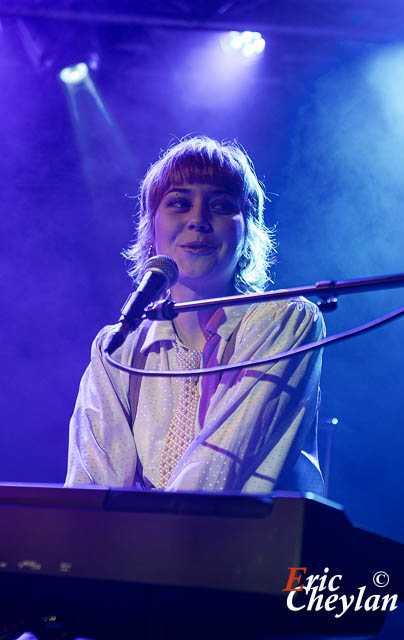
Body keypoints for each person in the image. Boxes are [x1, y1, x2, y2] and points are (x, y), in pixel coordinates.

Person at [65, 135, 325, 494]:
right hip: (132, 548)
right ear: (151, 226)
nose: (198, 219)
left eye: (220, 205)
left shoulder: (286, 322)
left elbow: (222, 466)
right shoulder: (118, 349)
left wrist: (154, 543)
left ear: (248, 228)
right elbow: (90, 488)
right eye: (179, 203)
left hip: (250, 548)